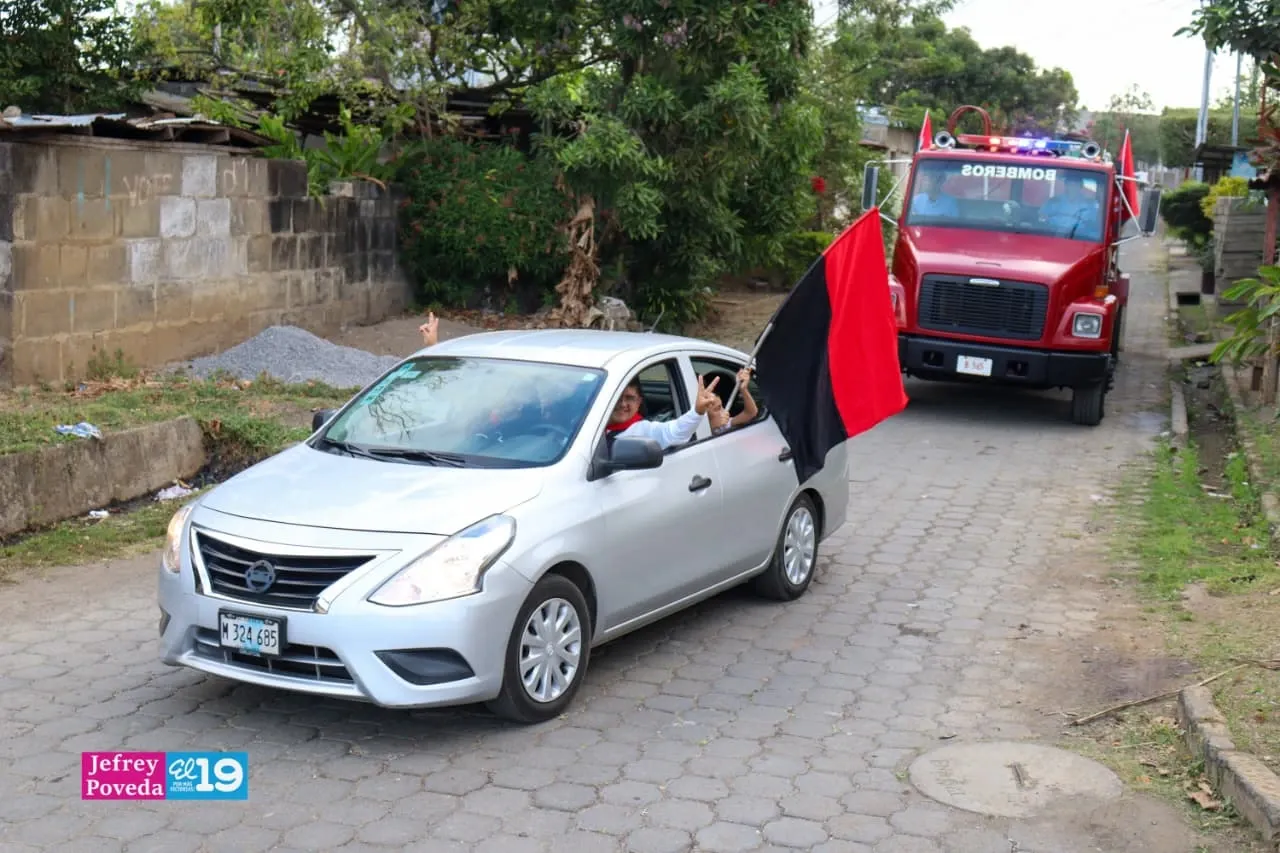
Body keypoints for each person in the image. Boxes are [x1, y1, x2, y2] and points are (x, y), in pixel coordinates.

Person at [606, 374, 721, 450]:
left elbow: (676, 431)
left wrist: (697, 411)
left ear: (639, 402)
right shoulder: (592, 422)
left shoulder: (645, 429)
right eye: (617, 398)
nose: (622, 404)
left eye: (630, 398)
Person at [1040, 173, 1101, 239]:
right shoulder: (1054, 201)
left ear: (1081, 186)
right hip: (1054, 235)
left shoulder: (1090, 204)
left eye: (1075, 185)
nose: (1073, 187)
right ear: (1066, 185)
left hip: (1079, 236)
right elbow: (1042, 217)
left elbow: (1094, 224)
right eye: (1070, 184)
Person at [708, 368, 758, 435]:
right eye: (717, 409)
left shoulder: (722, 427)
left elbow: (750, 413)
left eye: (722, 406)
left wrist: (743, 389)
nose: (724, 411)